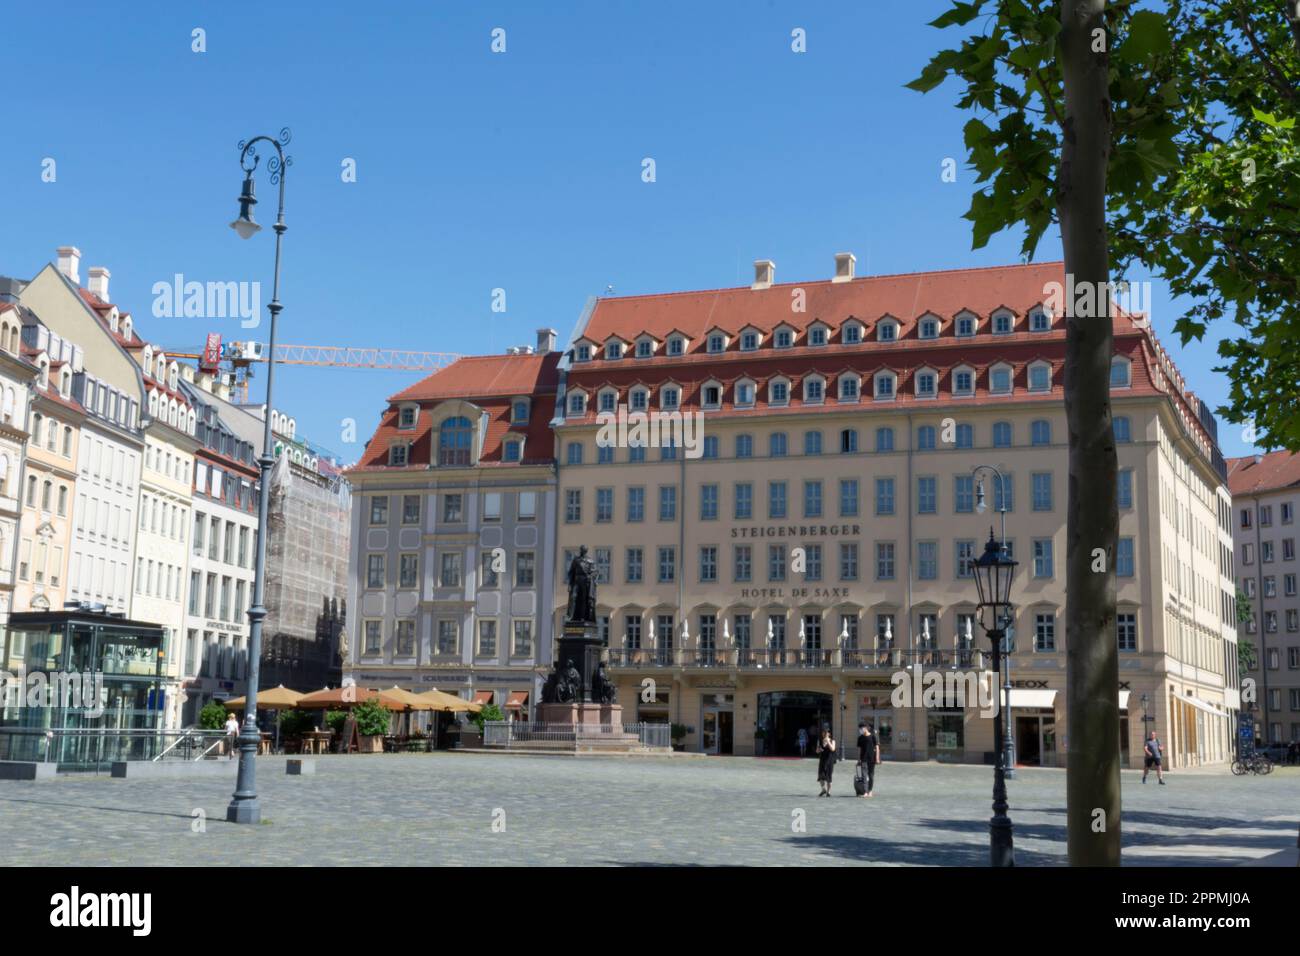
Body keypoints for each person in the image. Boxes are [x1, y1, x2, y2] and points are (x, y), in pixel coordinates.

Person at [856, 722, 881, 798]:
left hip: (872, 759)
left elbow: (877, 747)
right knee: (864, 776)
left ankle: (870, 791)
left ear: (865, 728)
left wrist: (877, 758)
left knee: (871, 776)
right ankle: (865, 792)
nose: (860, 730)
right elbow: (859, 750)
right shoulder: (860, 738)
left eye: (861, 728)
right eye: (859, 729)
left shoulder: (873, 736)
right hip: (863, 759)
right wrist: (858, 760)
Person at [816, 729, 837, 795]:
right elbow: (817, 751)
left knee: (829, 776)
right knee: (821, 775)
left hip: (829, 761)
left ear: (829, 734)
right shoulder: (819, 741)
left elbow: (833, 749)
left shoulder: (832, 741)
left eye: (826, 732)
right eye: (823, 732)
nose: (824, 734)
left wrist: (828, 742)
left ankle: (828, 791)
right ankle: (823, 789)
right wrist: (819, 750)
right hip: (822, 760)